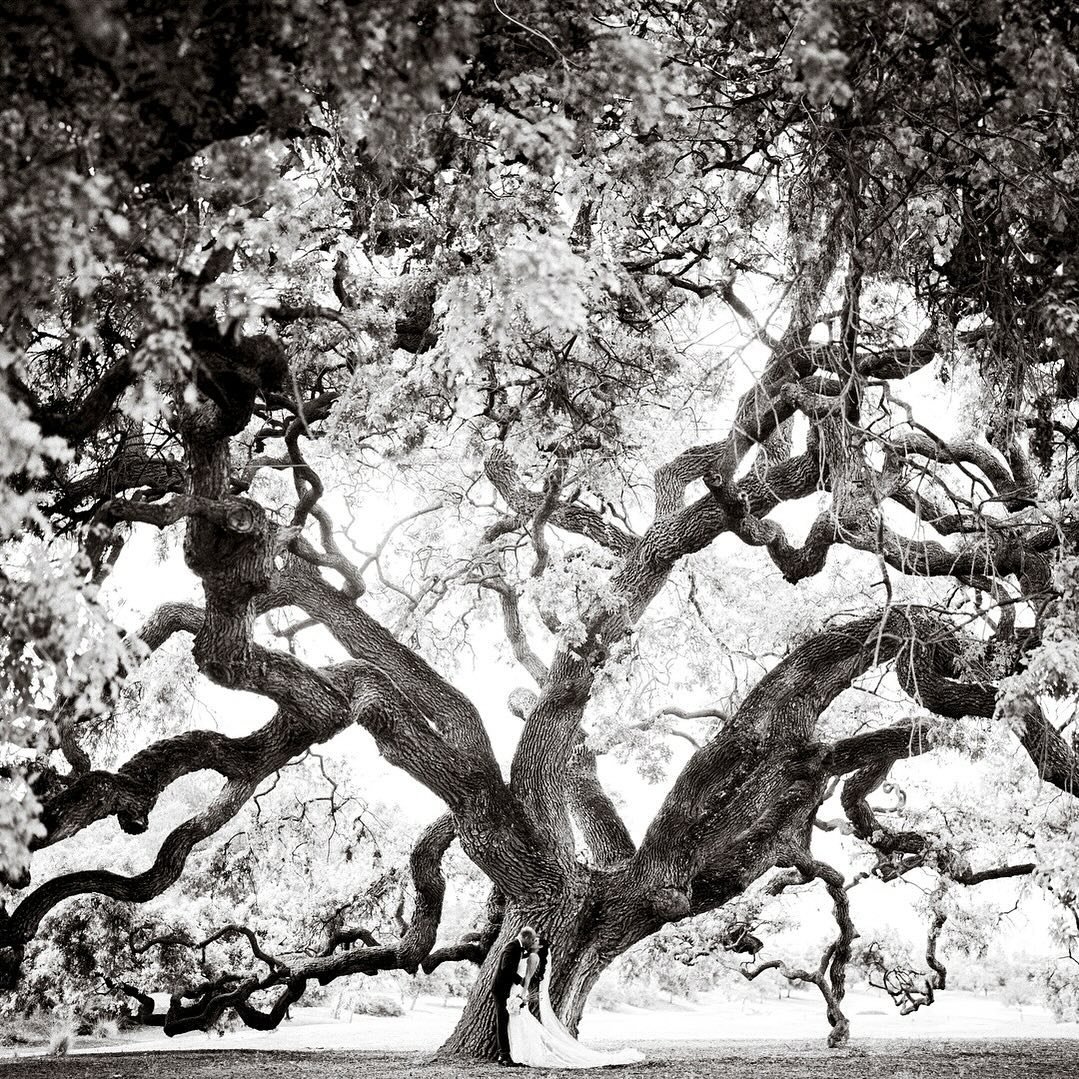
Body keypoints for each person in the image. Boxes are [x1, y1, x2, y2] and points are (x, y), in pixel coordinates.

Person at [504, 933, 644, 1069]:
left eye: (535, 941)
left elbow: (527, 978)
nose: (532, 942)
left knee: (521, 1022)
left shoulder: (533, 956)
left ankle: (522, 1053)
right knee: (521, 1022)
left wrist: (522, 995)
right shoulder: (528, 954)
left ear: (539, 947)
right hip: (515, 989)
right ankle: (521, 1052)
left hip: (519, 990)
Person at [492, 925, 537, 1066]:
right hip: (501, 989)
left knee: (504, 1020)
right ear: (525, 937)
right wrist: (521, 981)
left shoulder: (519, 948)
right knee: (502, 1021)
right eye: (532, 940)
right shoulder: (512, 946)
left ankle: (504, 1054)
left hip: (507, 989)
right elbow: (505, 968)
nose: (532, 942)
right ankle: (504, 1056)